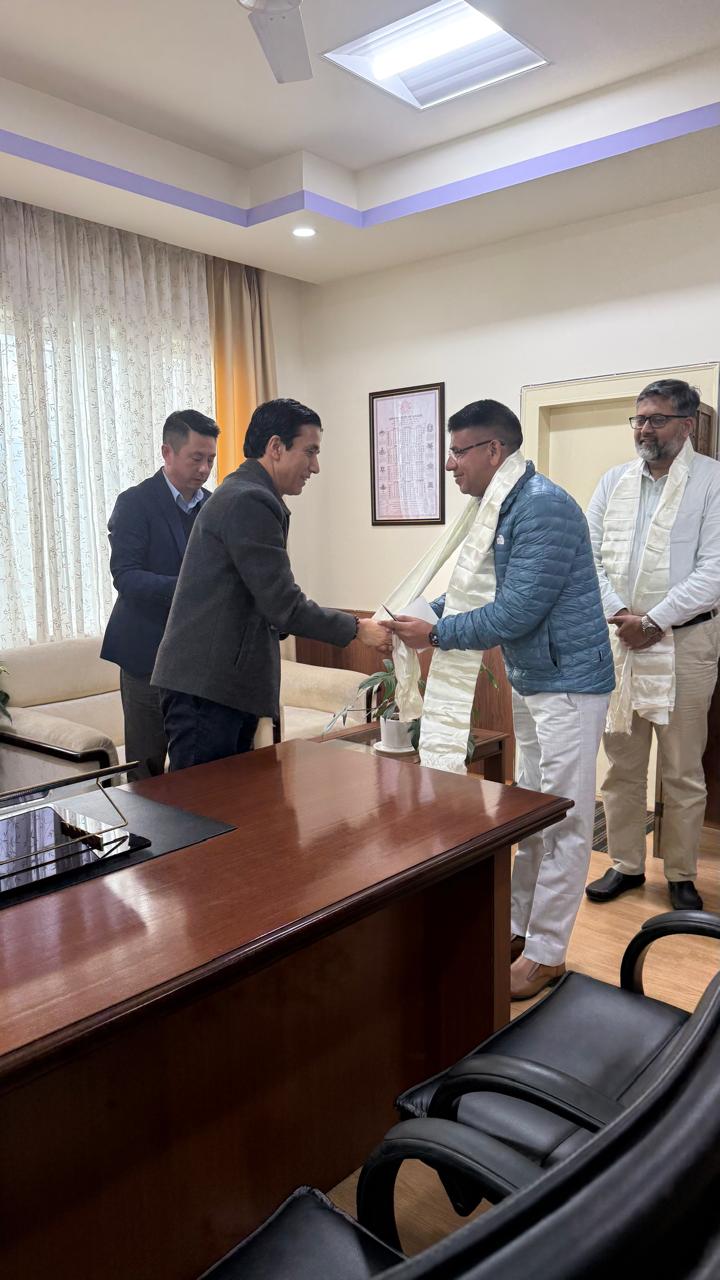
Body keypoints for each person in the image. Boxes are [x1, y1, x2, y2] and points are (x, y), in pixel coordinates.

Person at [390, 400, 614, 1000]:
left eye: (458, 452)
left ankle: (546, 955)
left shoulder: (541, 507)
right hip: (536, 678)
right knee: (533, 813)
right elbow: (477, 592)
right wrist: (415, 616)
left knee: (565, 819)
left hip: (568, 685)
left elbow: (516, 611)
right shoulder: (501, 505)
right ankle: (516, 929)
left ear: (494, 451)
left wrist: (436, 633)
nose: (450, 465)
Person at [152, 398, 390, 769]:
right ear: (276, 447)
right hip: (208, 689)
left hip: (218, 686)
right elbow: (283, 605)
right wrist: (359, 629)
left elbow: (264, 603)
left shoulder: (246, 493)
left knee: (229, 800)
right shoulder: (249, 500)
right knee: (201, 802)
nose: (315, 466)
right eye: (310, 451)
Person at [585, 379, 720, 912]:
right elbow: (589, 558)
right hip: (621, 640)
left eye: (657, 419)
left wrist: (655, 620)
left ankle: (682, 874)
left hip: (686, 641)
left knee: (682, 769)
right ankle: (625, 864)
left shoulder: (711, 481)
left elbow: (715, 571)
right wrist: (624, 616)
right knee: (621, 763)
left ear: (686, 425)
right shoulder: (613, 482)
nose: (644, 429)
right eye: (639, 419)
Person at [101, 409, 220, 778]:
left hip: (199, 659)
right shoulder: (135, 503)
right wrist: (189, 589)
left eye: (211, 459)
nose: (204, 469)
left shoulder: (215, 506)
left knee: (199, 767)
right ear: (167, 452)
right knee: (146, 770)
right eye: (196, 458)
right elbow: (126, 576)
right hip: (146, 657)